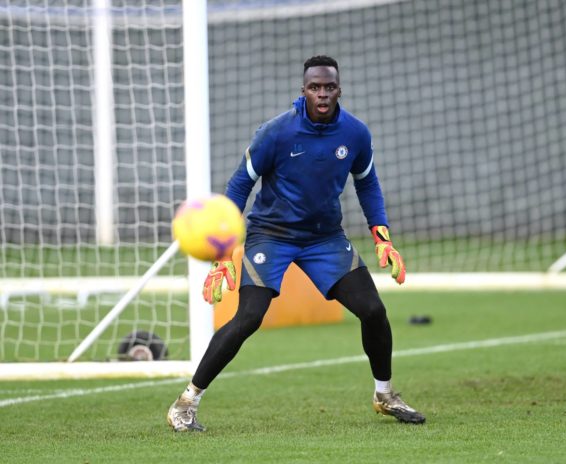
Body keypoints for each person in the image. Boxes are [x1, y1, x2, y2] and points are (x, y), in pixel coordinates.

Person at [167, 55, 425, 432]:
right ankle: (186, 403)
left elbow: (367, 183)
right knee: (248, 318)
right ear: (303, 90)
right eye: (315, 87)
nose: (322, 94)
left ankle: (384, 395)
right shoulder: (276, 133)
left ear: (340, 89)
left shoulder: (355, 133)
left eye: (329, 87)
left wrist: (381, 234)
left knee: (373, 310)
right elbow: (240, 184)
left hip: (324, 238)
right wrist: (224, 254)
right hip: (271, 235)